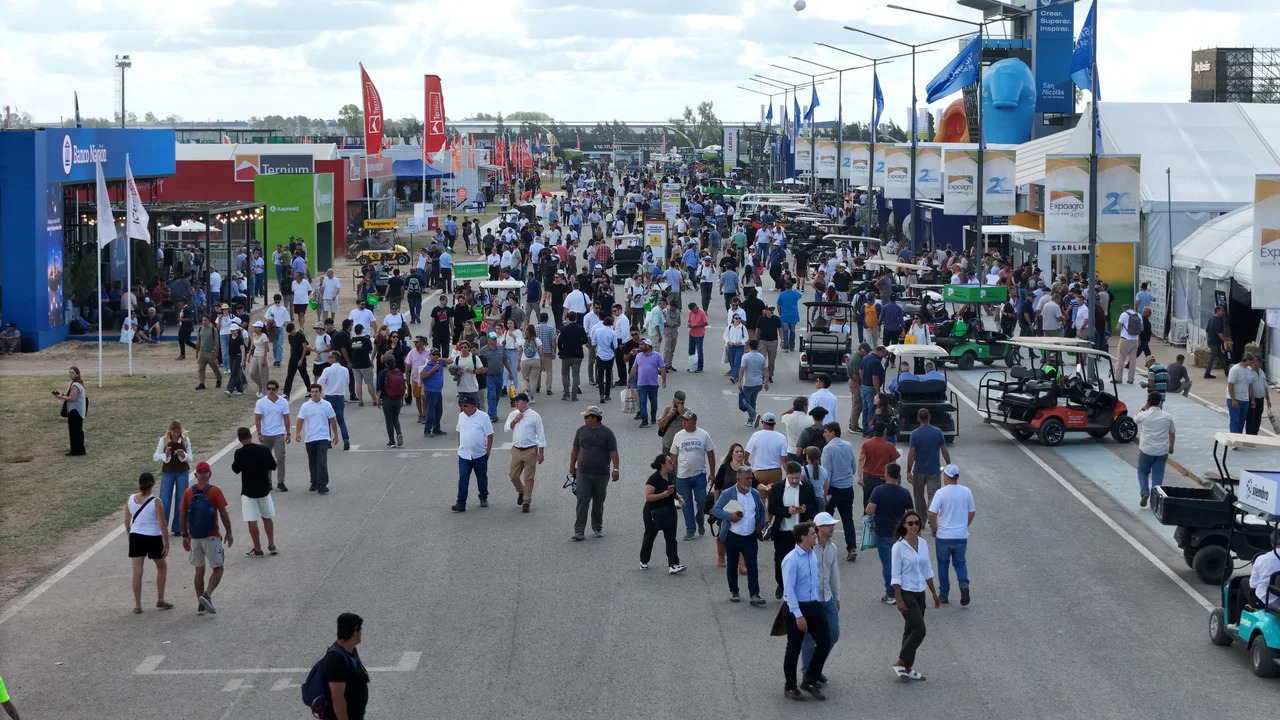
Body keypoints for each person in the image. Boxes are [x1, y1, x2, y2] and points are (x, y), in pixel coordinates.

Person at [781, 521, 831, 701]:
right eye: (812, 533)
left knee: (825, 641)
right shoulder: (791, 560)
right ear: (803, 537)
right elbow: (789, 591)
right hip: (797, 608)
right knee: (793, 649)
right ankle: (790, 687)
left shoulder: (812, 555)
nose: (815, 536)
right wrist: (798, 615)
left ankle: (809, 679)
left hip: (813, 605)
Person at [890, 509, 939, 681]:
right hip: (906, 591)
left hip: (920, 592)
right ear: (904, 525)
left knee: (910, 629)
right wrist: (899, 598)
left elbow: (927, 570)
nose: (914, 526)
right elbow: (895, 575)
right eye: (910, 523)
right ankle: (900, 661)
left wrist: (933, 593)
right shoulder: (898, 547)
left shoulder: (923, 544)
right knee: (920, 629)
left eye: (917, 523)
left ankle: (907, 668)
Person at [179, 461, 233, 615]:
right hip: (211, 535)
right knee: (218, 568)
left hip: (194, 536)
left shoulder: (189, 492)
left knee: (199, 570)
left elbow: (182, 515)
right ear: (210, 474)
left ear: (196, 475)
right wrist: (229, 532)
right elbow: (224, 514)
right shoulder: (215, 491)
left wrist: (185, 536)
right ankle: (207, 595)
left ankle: (200, 604)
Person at [711, 464, 768, 606]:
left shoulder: (754, 493)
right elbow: (716, 510)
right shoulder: (728, 493)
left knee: (752, 565)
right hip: (733, 536)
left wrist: (761, 523)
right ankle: (734, 590)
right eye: (747, 478)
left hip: (750, 536)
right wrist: (730, 517)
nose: (750, 481)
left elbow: (761, 508)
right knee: (732, 564)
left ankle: (754, 594)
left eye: (751, 478)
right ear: (738, 479)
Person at [798, 512, 840, 685]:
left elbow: (834, 575)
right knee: (808, 640)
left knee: (833, 634)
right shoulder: (808, 550)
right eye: (828, 525)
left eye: (832, 524)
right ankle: (809, 673)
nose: (832, 527)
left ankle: (816, 666)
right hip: (810, 600)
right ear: (818, 529)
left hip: (827, 598)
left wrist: (836, 598)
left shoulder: (832, 548)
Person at [865, 462, 915, 604]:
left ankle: (891, 593)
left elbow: (869, 510)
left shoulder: (879, 491)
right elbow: (911, 513)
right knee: (902, 562)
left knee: (888, 563)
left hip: (883, 532)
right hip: (900, 533)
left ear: (886, 474)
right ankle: (905, 591)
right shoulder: (904, 492)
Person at [124, 472, 173, 614]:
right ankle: (160, 599)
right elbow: (162, 524)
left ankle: (138, 605)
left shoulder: (131, 499)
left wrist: (130, 534)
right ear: (153, 483)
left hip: (136, 536)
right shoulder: (156, 501)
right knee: (162, 567)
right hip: (152, 537)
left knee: (137, 571)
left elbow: (127, 521)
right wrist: (166, 543)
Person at [569, 405, 620, 540]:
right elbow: (575, 449)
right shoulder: (581, 431)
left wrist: (616, 469)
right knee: (582, 500)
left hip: (601, 474)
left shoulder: (607, 433)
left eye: (587, 417)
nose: (585, 419)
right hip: (583, 473)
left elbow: (613, 452)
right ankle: (579, 530)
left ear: (595, 418)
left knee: (598, 501)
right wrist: (572, 466)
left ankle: (597, 527)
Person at [769, 462, 819, 600]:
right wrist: (787, 511)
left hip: (801, 532)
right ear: (787, 475)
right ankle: (781, 585)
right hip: (783, 530)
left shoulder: (807, 488)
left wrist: (805, 509)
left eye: (797, 478)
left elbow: (814, 507)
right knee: (780, 560)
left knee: (804, 560)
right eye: (792, 478)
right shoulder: (777, 488)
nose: (795, 481)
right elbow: (772, 508)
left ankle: (802, 587)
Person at [928, 464, 975, 606]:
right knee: (960, 562)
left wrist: (934, 528)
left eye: (944, 475)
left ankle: (944, 594)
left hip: (944, 536)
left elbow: (932, 513)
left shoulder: (941, 493)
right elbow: (972, 512)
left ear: (948, 477)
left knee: (943, 565)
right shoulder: (966, 491)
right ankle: (964, 584)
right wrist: (964, 525)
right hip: (960, 535)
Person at [231, 426, 279, 558]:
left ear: (240, 439)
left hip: (248, 491)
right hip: (264, 489)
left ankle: (258, 548)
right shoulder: (263, 450)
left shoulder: (239, 453)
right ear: (250, 436)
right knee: (267, 517)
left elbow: (235, 469)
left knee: (251, 520)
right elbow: (273, 466)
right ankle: (271, 544)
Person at [670, 410, 716, 540]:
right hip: (682, 477)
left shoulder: (703, 434)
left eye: (686, 420)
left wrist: (712, 473)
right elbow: (673, 456)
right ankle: (690, 529)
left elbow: (710, 454)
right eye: (683, 420)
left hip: (699, 475)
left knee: (701, 501)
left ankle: (700, 519)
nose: (683, 422)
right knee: (686, 504)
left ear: (694, 422)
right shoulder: (678, 436)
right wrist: (671, 474)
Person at [640, 452, 686, 575]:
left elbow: (673, 491)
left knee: (671, 537)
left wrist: (679, 497)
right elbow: (648, 496)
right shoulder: (653, 479)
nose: (672, 463)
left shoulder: (671, 476)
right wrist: (663, 495)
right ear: (662, 465)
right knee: (650, 536)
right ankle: (643, 560)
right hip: (654, 512)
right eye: (669, 462)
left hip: (669, 509)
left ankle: (673, 564)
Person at [324, 612, 371, 720]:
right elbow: (337, 698)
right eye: (360, 630)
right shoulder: (336, 660)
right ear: (354, 633)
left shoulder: (350, 650)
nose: (361, 633)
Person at [504, 392, 546, 513]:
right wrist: (515, 421)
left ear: (525, 402)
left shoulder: (535, 416)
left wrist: (541, 453)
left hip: (530, 450)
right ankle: (521, 491)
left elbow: (541, 434)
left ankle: (527, 501)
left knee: (529, 477)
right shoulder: (513, 414)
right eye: (515, 402)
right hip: (516, 449)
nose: (516, 404)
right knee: (513, 475)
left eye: (518, 402)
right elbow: (507, 428)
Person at [1133, 390, 1176, 508]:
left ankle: (1144, 492)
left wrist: (1144, 408)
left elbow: (1135, 420)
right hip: (1162, 451)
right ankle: (1155, 499)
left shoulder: (1144, 414)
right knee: (1158, 473)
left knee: (1142, 471)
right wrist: (1171, 447)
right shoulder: (1167, 416)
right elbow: (1172, 434)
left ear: (1148, 402)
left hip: (1146, 450)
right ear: (1160, 402)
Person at [452, 394, 494, 512]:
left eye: (465, 406)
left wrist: (487, 453)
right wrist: (460, 446)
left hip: (479, 454)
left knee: (481, 478)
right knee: (463, 477)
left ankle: (483, 496)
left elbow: (490, 435)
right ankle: (461, 502)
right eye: (462, 406)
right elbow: (459, 431)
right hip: (464, 454)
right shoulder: (461, 416)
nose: (463, 408)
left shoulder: (483, 417)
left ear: (473, 406)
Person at [906, 408, 950, 521]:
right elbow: (944, 450)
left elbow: (911, 453)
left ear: (918, 419)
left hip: (919, 470)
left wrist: (908, 470)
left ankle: (922, 518)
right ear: (929, 417)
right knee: (933, 496)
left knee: (919, 497)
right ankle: (933, 518)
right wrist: (948, 464)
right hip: (934, 469)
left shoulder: (915, 434)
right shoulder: (937, 432)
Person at [296, 384, 339, 494]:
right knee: (313, 461)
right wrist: (297, 433)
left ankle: (322, 484)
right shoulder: (305, 406)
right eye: (312, 392)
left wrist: (336, 435)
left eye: (316, 391)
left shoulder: (326, 405)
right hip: (310, 438)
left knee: (322, 461)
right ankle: (314, 481)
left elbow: (332, 420)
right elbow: (300, 420)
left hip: (323, 438)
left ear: (320, 392)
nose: (314, 394)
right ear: (310, 393)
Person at [153, 420, 193, 536]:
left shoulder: (186, 440)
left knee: (181, 499)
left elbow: (190, 457)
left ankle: (178, 527)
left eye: (178, 431)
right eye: (174, 431)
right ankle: (162, 527)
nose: (176, 434)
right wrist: (165, 454)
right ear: (170, 430)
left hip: (182, 472)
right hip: (168, 472)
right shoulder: (163, 440)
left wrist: (183, 455)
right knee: (164, 499)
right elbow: (156, 456)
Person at [858, 422, 900, 508]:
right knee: (882, 505)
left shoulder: (866, 443)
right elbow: (893, 465)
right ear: (884, 431)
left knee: (867, 504)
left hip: (868, 478)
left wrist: (859, 477)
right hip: (882, 479)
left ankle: (867, 520)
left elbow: (861, 459)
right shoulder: (890, 446)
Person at [318, 353, 352, 451]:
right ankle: (346, 439)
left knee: (327, 420)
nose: (328, 359)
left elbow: (320, 381)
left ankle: (328, 441)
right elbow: (347, 382)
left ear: (334, 358)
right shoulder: (345, 370)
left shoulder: (327, 370)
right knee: (341, 420)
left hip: (329, 396)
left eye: (330, 357)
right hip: (340, 396)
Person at [629, 337, 666, 426]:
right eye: (640, 344)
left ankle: (653, 416)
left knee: (653, 402)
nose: (640, 346)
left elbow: (662, 368)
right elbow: (634, 368)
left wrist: (664, 381)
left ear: (648, 345)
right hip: (641, 384)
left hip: (653, 384)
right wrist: (629, 380)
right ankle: (644, 420)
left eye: (642, 344)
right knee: (642, 402)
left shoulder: (657, 356)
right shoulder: (638, 356)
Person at [375, 352, 407, 447]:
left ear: (385, 363)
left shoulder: (383, 373)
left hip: (387, 399)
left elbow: (379, 388)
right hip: (398, 399)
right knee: (395, 418)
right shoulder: (399, 372)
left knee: (389, 420)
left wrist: (377, 400)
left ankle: (392, 441)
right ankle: (399, 433)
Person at [54, 366, 87, 456]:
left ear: (77, 374)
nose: (70, 374)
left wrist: (60, 397)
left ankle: (76, 451)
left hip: (75, 411)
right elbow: (70, 395)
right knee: (77, 431)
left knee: (75, 432)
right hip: (76, 411)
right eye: (70, 372)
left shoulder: (75, 385)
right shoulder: (75, 383)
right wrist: (62, 394)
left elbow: (72, 398)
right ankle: (79, 450)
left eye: (72, 372)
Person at [737, 340, 769, 426]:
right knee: (753, 401)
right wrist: (766, 382)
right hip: (758, 383)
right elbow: (766, 370)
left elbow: (742, 370)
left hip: (748, 383)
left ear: (749, 346)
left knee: (745, 402)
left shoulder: (746, 356)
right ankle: (751, 420)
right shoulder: (761, 357)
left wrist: (739, 382)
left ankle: (754, 414)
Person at [1248, 529, 1280, 612]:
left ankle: (1236, 622)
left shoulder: (1261, 559)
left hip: (1265, 601)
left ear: (1272, 542)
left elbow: (1253, 585)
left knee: (1242, 583)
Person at [420, 347, 447, 437]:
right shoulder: (429, 365)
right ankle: (427, 430)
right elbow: (423, 375)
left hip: (438, 391)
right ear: (430, 356)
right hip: (430, 391)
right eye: (434, 354)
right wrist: (432, 370)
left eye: (437, 354)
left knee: (439, 411)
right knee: (430, 412)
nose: (436, 356)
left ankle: (436, 428)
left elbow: (450, 361)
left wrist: (441, 359)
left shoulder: (440, 363)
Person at [1114, 303, 1141, 384]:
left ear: (1123, 309)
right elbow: (1141, 328)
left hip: (1125, 340)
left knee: (1121, 359)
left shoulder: (1124, 315)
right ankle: (1131, 379)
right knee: (1133, 361)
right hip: (1135, 340)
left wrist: (1123, 329)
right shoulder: (1138, 315)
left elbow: (1118, 327)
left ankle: (1118, 378)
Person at [1227, 354, 1254, 434]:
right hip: (1235, 398)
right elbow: (1230, 384)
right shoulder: (1235, 369)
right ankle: (1234, 438)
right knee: (1235, 420)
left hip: (1245, 399)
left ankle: (1239, 438)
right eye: (1251, 360)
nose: (1252, 362)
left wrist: (1252, 399)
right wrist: (1233, 400)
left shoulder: (1249, 370)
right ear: (1247, 360)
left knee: (1241, 421)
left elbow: (1249, 385)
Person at [194, 315, 223, 390]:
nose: (204, 322)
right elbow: (198, 341)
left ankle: (219, 379)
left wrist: (216, 352)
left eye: (206, 320)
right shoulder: (200, 329)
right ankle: (202, 383)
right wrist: (197, 351)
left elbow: (216, 341)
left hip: (210, 352)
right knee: (201, 369)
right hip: (202, 352)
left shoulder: (213, 329)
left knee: (214, 367)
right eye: (203, 320)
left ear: (209, 321)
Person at [1247, 355, 1273, 436]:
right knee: (1251, 419)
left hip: (1260, 399)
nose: (1262, 364)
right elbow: (1249, 387)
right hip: (1252, 399)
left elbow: (1265, 387)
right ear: (1255, 362)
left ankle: (1255, 434)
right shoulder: (1249, 372)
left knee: (1258, 418)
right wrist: (1252, 400)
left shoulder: (1261, 372)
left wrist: (1268, 400)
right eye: (1260, 362)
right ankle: (1250, 435)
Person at [1204, 305, 1229, 379]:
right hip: (1215, 342)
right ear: (1217, 311)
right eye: (1222, 311)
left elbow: (1207, 331)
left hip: (1213, 342)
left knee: (1221, 357)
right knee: (1212, 358)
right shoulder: (1217, 321)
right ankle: (1207, 373)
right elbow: (1219, 333)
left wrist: (1208, 340)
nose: (1223, 312)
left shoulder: (1211, 319)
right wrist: (1226, 341)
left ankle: (1226, 371)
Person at [723, 314, 748, 382]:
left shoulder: (742, 327)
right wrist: (728, 341)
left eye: (739, 318)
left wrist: (740, 342)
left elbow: (746, 337)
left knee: (737, 361)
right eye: (736, 318)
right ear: (733, 319)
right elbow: (725, 335)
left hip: (739, 347)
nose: (738, 320)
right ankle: (737, 375)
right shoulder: (730, 327)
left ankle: (733, 376)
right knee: (732, 361)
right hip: (731, 347)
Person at [687, 302, 708, 372]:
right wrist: (689, 324)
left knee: (699, 350)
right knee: (691, 350)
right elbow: (689, 321)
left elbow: (705, 323)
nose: (692, 311)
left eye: (693, 309)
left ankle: (700, 366)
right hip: (692, 333)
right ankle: (692, 365)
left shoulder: (702, 313)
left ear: (696, 307)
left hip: (699, 334)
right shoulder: (690, 313)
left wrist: (696, 326)